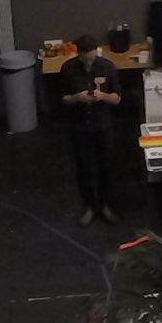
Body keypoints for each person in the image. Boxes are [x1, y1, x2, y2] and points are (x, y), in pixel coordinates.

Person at [57, 35, 121, 225]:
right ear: (79, 54)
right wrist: (77, 98)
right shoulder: (68, 69)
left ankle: (106, 205)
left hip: (102, 124)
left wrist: (102, 96)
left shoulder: (107, 67)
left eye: (92, 59)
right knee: (84, 167)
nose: (89, 63)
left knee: (106, 165)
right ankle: (89, 206)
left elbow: (117, 98)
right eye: (85, 59)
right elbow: (63, 99)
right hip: (79, 125)